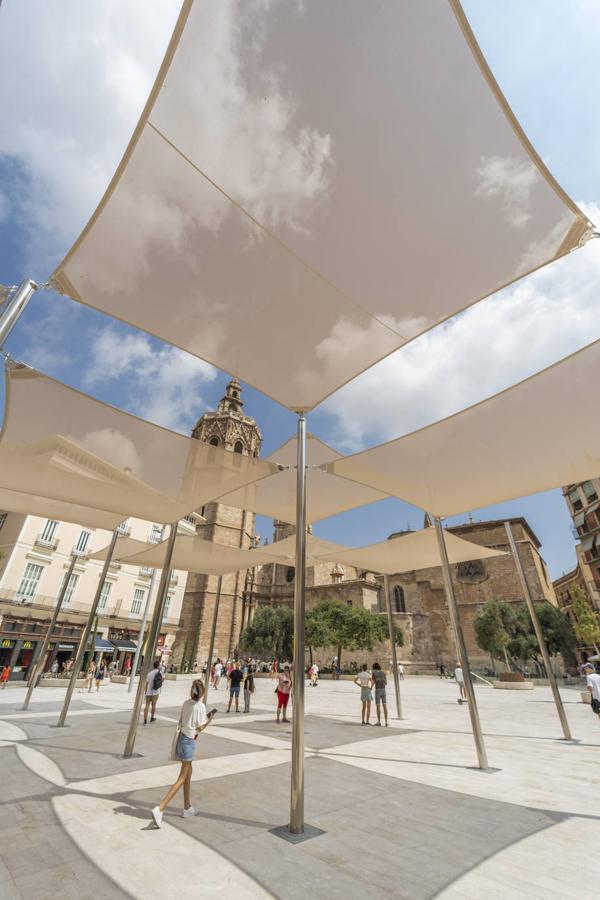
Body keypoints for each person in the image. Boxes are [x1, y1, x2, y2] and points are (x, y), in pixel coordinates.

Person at [151, 679, 216, 827]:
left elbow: (183, 720)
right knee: (181, 777)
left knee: (188, 773)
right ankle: (160, 808)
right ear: (202, 693)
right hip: (189, 742)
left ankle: (187, 807)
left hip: (181, 739)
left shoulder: (186, 703)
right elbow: (200, 728)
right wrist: (210, 719)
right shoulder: (200, 706)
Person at [144, 659, 163, 724]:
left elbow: (146, 683)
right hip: (155, 692)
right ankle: (152, 718)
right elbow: (162, 680)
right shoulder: (159, 673)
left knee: (147, 705)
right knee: (154, 705)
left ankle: (145, 720)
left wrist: (145, 691)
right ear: (158, 666)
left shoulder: (149, 673)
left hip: (148, 692)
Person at [371, 662, 388, 726]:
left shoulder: (374, 673)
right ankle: (386, 722)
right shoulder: (383, 673)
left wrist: (370, 688)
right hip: (383, 690)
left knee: (378, 706)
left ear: (374, 668)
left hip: (378, 690)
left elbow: (373, 682)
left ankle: (379, 721)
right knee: (385, 705)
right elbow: (386, 683)